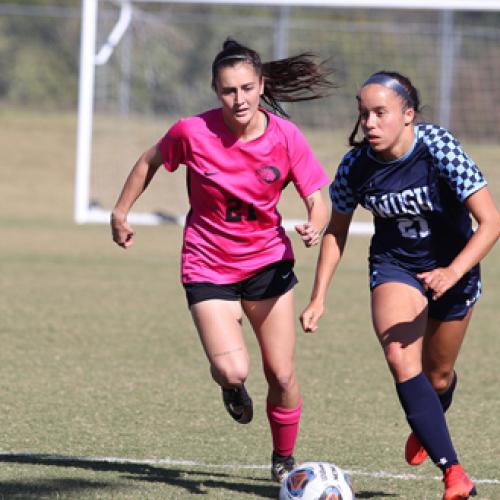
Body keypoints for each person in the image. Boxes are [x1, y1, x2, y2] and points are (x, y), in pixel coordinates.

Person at [111, 38, 333, 482]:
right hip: (208, 264)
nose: (240, 99)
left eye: (248, 88)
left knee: (283, 374)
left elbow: (318, 197)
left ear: (261, 85)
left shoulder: (286, 137)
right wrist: (120, 210)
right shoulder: (191, 132)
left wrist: (315, 222)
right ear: (216, 90)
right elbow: (149, 161)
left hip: (268, 263)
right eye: (229, 90)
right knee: (235, 368)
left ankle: (282, 459)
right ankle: (231, 387)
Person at [300, 70, 499, 500]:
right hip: (396, 266)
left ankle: (427, 418)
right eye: (364, 113)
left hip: (454, 268)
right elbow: (336, 230)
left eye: (380, 113)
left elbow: (491, 222)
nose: (369, 123)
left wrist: (452, 271)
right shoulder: (356, 165)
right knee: (398, 355)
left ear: (408, 115)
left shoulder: (438, 149)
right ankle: (454, 473)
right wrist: (319, 297)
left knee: (438, 377)